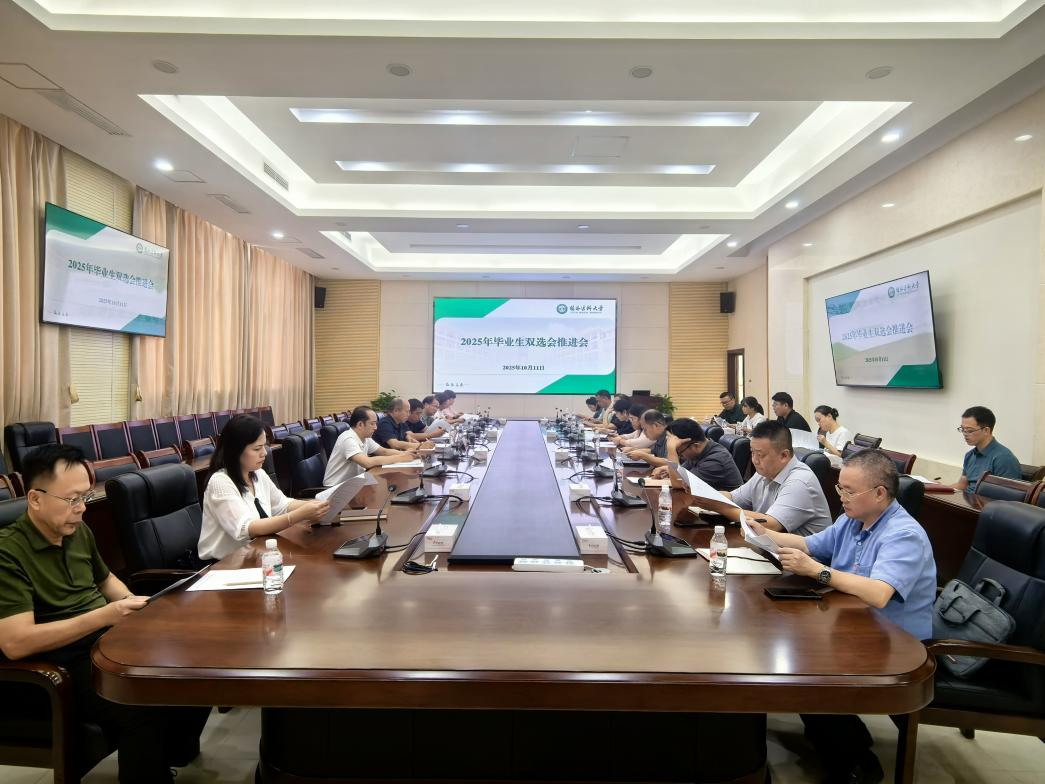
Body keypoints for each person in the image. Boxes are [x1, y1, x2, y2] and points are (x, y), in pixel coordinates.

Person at [0, 444, 211, 784]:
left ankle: (170, 753)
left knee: (198, 660)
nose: (82, 508)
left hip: (106, 640)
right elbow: (16, 643)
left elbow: (106, 580)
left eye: (85, 497)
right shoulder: (7, 553)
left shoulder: (76, 530)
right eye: (72, 499)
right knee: (141, 700)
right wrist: (103, 617)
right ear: (35, 499)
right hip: (60, 663)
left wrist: (133, 603)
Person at [748, 448, 936, 783]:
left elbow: (879, 593)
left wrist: (818, 572)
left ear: (879, 493)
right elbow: (809, 545)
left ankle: (856, 761)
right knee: (785, 645)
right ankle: (838, 741)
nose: (841, 497)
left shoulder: (903, 534)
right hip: (853, 623)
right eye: (840, 488)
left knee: (805, 669)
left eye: (849, 491)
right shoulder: (853, 519)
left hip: (895, 641)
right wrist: (759, 532)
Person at [199, 414, 329, 561]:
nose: (265, 453)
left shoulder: (257, 473)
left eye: (264, 446)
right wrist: (299, 515)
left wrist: (318, 505)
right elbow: (246, 528)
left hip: (254, 555)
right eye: (257, 449)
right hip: (225, 564)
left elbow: (283, 505)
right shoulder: (220, 482)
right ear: (236, 451)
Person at [697, 420, 831, 536]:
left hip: (803, 556)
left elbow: (771, 524)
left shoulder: (800, 481)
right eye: (752, 452)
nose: (754, 460)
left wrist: (722, 507)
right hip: (770, 547)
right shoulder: (765, 472)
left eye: (760, 455)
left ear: (784, 455)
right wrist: (706, 495)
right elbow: (734, 497)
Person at [324, 406, 418, 486]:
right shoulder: (348, 439)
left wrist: (406, 453)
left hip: (353, 483)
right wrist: (400, 458)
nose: (376, 427)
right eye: (372, 424)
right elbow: (367, 462)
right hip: (335, 488)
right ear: (360, 424)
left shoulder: (365, 437)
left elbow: (384, 451)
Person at [652, 418, 743, 491]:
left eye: (679, 453)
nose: (680, 456)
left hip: (724, 508)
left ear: (695, 445)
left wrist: (671, 450)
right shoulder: (699, 451)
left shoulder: (715, 460)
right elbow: (682, 473)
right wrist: (668, 469)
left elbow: (678, 484)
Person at [953, 405, 1022, 491]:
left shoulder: (1004, 458)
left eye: (970, 430)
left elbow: (1008, 495)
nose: (965, 434)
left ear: (986, 430)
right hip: (966, 498)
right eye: (963, 429)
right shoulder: (970, 455)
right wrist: (939, 488)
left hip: (984, 499)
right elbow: (962, 485)